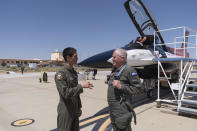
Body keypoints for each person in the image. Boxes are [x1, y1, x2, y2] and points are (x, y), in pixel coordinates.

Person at [54, 47, 93, 131]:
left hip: (74, 111)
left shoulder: (73, 72)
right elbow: (65, 93)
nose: (77, 58)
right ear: (68, 58)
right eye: (75, 56)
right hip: (66, 112)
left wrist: (79, 107)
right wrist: (81, 86)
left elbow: (76, 93)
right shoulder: (61, 74)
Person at [105, 48, 144, 131]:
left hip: (122, 110)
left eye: (114, 57)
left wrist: (121, 87)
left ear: (122, 58)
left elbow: (138, 89)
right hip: (113, 110)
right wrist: (109, 80)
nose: (112, 59)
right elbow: (116, 80)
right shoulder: (115, 69)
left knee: (122, 128)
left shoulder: (129, 70)